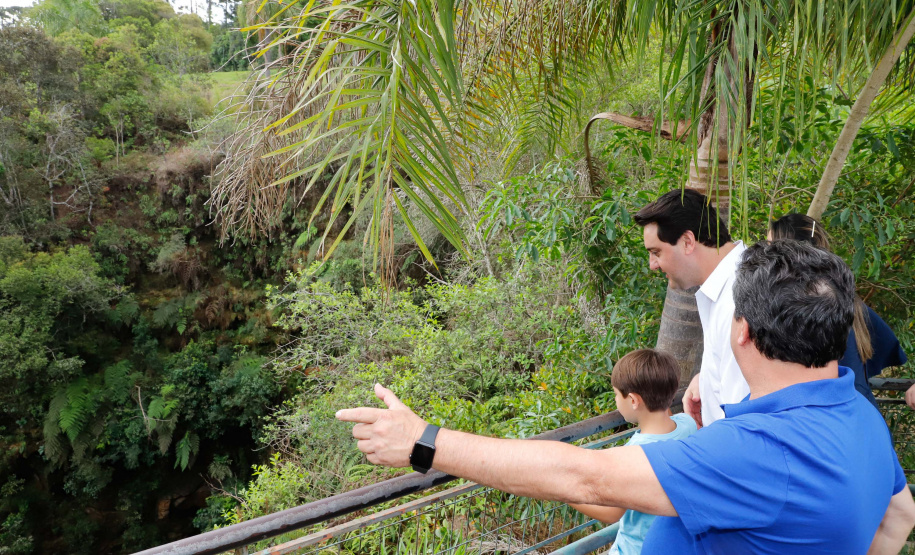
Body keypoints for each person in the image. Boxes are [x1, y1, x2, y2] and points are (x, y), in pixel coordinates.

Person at [337, 241, 915, 553]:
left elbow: (586, 479)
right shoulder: (859, 416)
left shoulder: (759, 451)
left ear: (741, 330)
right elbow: (898, 517)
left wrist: (423, 442)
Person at [769, 213, 908, 409]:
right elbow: (884, 345)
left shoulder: (802, 306)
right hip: (858, 410)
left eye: (769, 246)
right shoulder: (845, 296)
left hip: (829, 411)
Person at [633, 189, 748, 426]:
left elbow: (743, 418)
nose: (652, 265)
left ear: (687, 242)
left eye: (656, 252)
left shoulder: (738, 298)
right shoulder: (732, 280)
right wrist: (706, 379)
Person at [569, 349, 696, 554]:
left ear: (633, 400)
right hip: (674, 544)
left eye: (616, 394)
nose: (615, 400)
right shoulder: (688, 424)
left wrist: (565, 495)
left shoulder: (632, 454)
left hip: (636, 548)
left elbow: (612, 513)